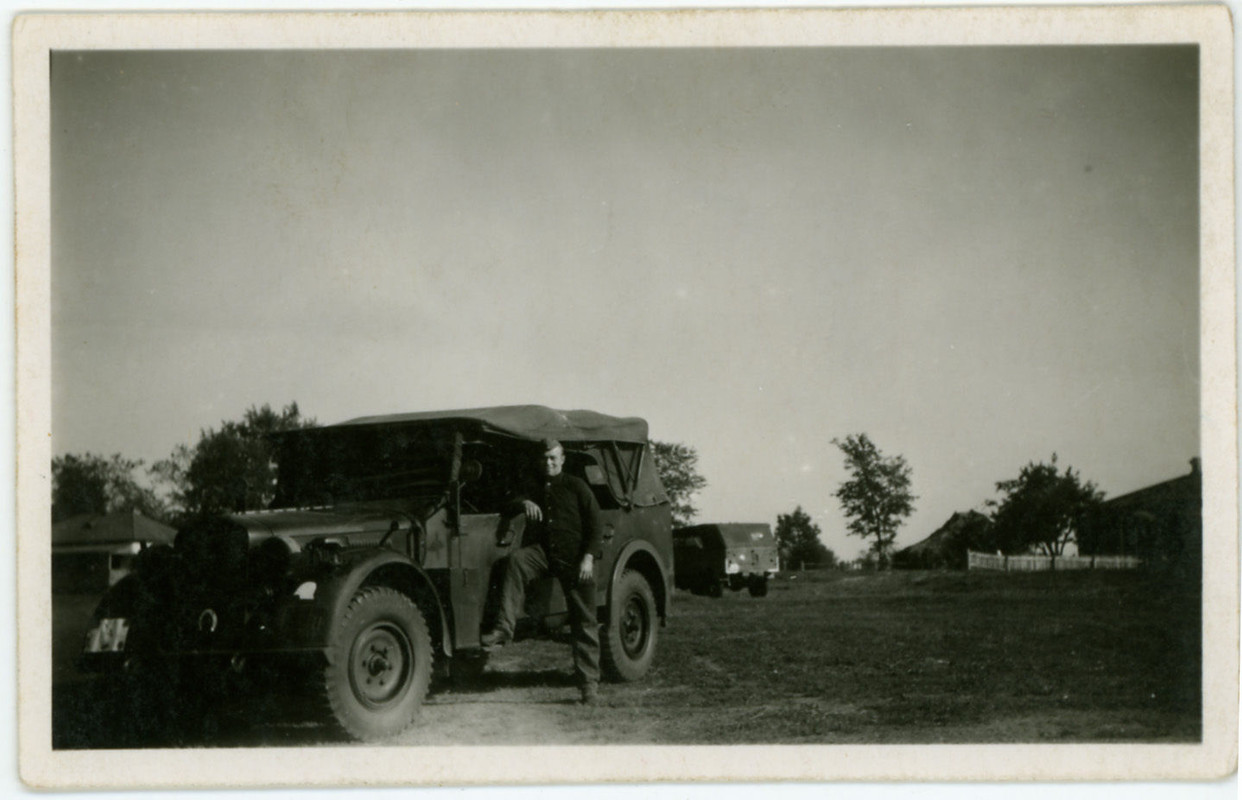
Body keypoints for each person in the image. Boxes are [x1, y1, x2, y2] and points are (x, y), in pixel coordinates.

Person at [481, 438, 603, 705]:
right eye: (544, 459)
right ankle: (504, 627)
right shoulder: (535, 486)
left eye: (553, 458)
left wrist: (588, 558)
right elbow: (508, 500)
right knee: (515, 561)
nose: (548, 463)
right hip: (544, 555)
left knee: (584, 622)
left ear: (562, 460)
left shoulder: (577, 486)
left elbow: (596, 525)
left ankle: (588, 686)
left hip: (576, 561)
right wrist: (523, 502)